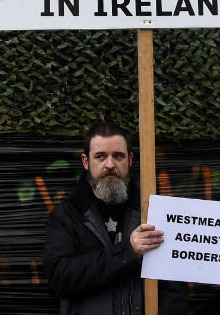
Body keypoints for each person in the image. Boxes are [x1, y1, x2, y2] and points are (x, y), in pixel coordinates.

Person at [43, 123, 188, 315]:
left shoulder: (155, 212)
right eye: (101, 156)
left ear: (129, 159)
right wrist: (127, 252)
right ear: (86, 161)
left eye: (118, 156)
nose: (110, 165)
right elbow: (60, 279)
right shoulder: (66, 216)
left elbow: (174, 289)